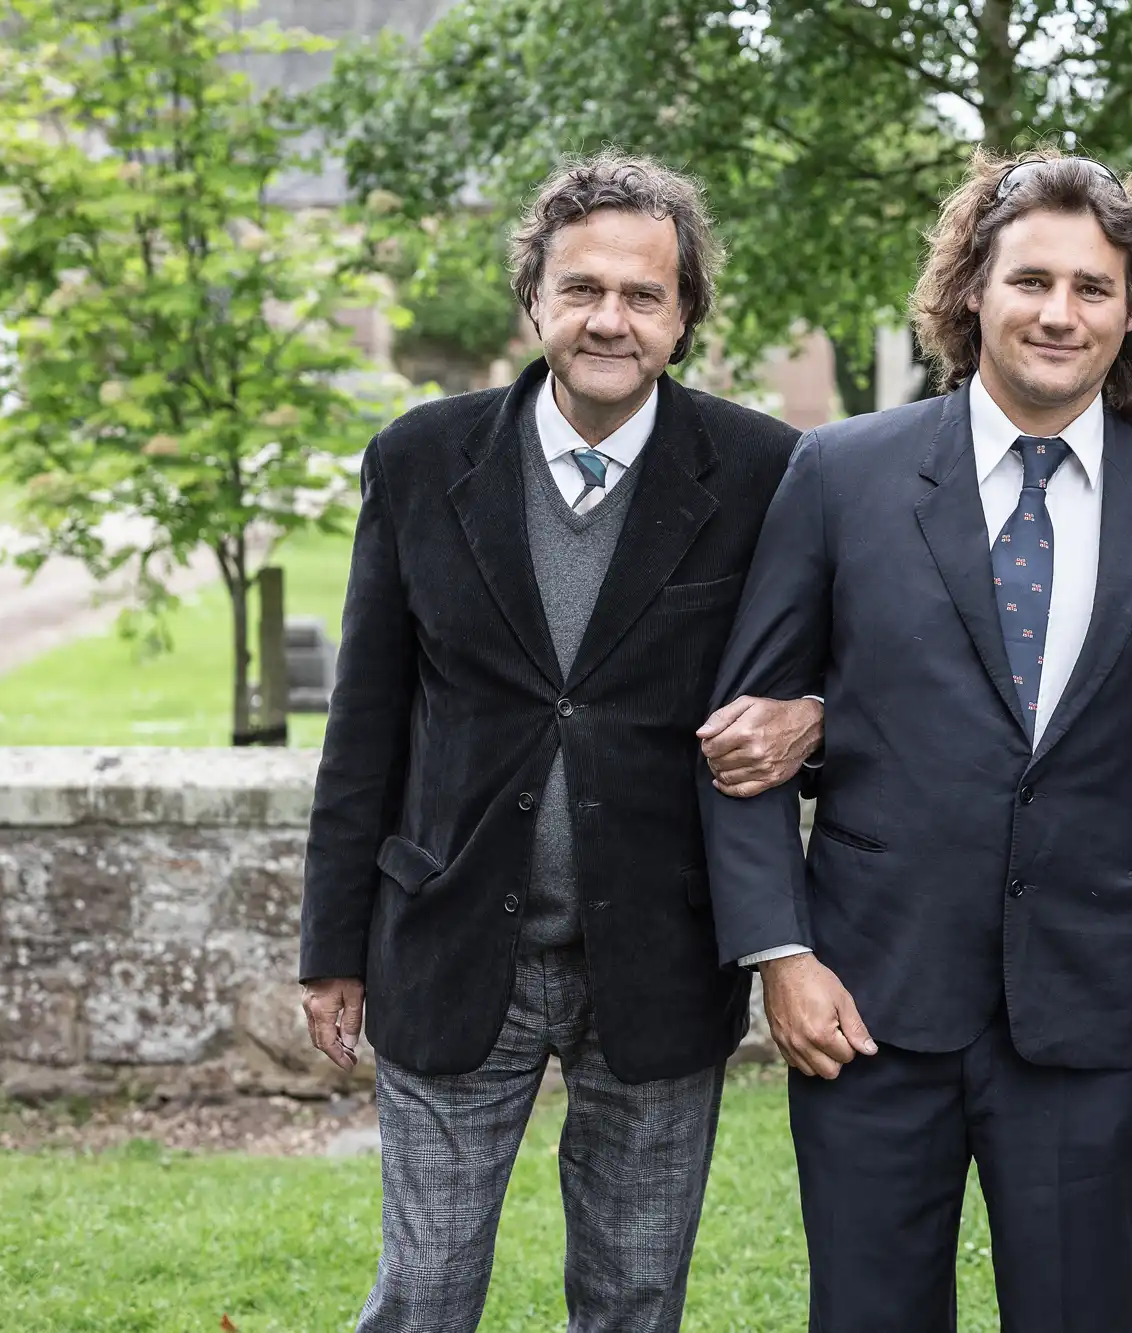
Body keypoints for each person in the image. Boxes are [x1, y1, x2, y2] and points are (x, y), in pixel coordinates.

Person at [698, 148, 1132, 1332]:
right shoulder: (840, 472)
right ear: (971, 290)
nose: (1058, 312)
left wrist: (1089, 809)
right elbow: (744, 734)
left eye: (1092, 287)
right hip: (863, 995)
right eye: (1029, 280)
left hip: (1088, 1002)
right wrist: (779, 957)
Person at [297, 151, 820, 1332]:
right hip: (448, 937)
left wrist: (814, 718)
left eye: (643, 295)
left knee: (633, 1297)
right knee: (424, 1293)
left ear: (684, 318)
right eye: (581, 288)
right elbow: (364, 724)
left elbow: (819, 686)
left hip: (661, 953)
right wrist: (332, 946)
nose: (608, 319)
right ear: (532, 298)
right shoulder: (419, 461)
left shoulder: (764, 474)